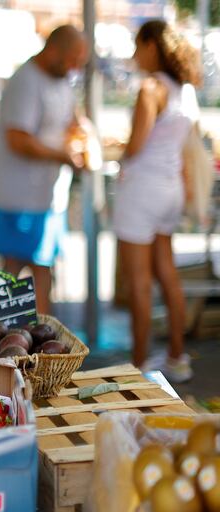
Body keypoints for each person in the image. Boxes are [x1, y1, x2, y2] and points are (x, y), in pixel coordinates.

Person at [114, 20, 201, 381]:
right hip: (171, 190)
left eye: (138, 46)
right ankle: (177, 357)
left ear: (152, 45)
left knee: (139, 280)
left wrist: (115, 150)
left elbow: (135, 145)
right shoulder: (185, 90)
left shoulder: (149, 88)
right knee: (167, 273)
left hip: (142, 190)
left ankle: (137, 365)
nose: (135, 55)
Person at [0, 25, 90, 315]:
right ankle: (3, 335)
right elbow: (18, 139)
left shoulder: (61, 80)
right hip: (17, 194)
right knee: (13, 270)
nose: (75, 67)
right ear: (54, 50)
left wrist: (84, 136)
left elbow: (71, 119)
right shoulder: (26, 81)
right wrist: (62, 155)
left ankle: (41, 339)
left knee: (43, 269)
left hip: (47, 195)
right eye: (72, 59)